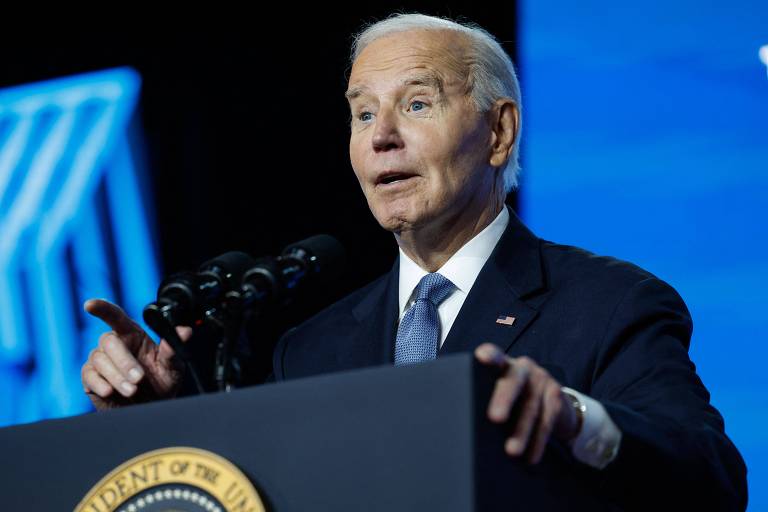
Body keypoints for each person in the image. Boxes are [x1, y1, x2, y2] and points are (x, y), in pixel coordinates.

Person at [80, 14, 747, 510]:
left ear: (498, 131)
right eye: (361, 112)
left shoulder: (608, 304)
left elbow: (714, 480)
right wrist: (168, 416)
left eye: (417, 103)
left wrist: (574, 420)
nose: (381, 136)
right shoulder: (308, 349)